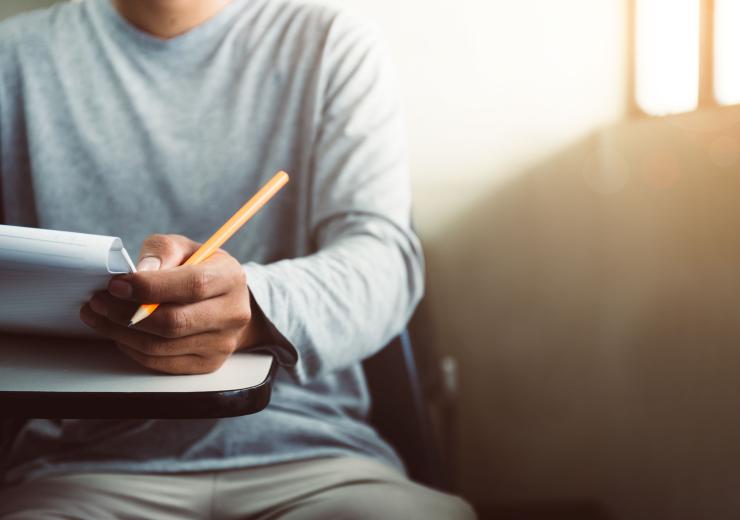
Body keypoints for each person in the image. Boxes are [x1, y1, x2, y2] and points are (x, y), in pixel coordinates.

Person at [0, 0, 475, 518]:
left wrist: (254, 306)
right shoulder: (14, 56)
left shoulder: (332, 44)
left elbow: (386, 264)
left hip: (315, 455)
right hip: (80, 466)